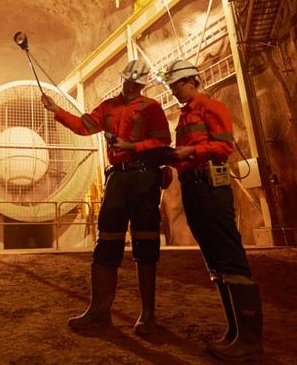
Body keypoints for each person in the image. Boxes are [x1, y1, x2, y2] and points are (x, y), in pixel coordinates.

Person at [41, 59, 173, 335]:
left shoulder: (152, 107)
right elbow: (83, 126)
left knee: (145, 242)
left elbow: (162, 142)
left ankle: (147, 316)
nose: (130, 86)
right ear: (123, 80)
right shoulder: (108, 106)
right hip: (118, 177)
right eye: (127, 82)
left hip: (143, 175)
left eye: (135, 84)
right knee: (107, 240)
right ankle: (100, 311)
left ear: (142, 84)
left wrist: (131, 146)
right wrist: (56, 110)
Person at [162, 58, 263, 361]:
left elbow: (223, 148)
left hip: (211, 187)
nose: (174, 90)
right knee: (215, 263)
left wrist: (191, 151)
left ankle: (250, 340)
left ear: (193, 80)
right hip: (193, 187)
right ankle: (234, 333)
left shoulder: (212, 108)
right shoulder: (184, 117)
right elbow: (186, 153)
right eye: (171, 86)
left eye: (177, 84)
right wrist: (170, 162)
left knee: (231, 258)